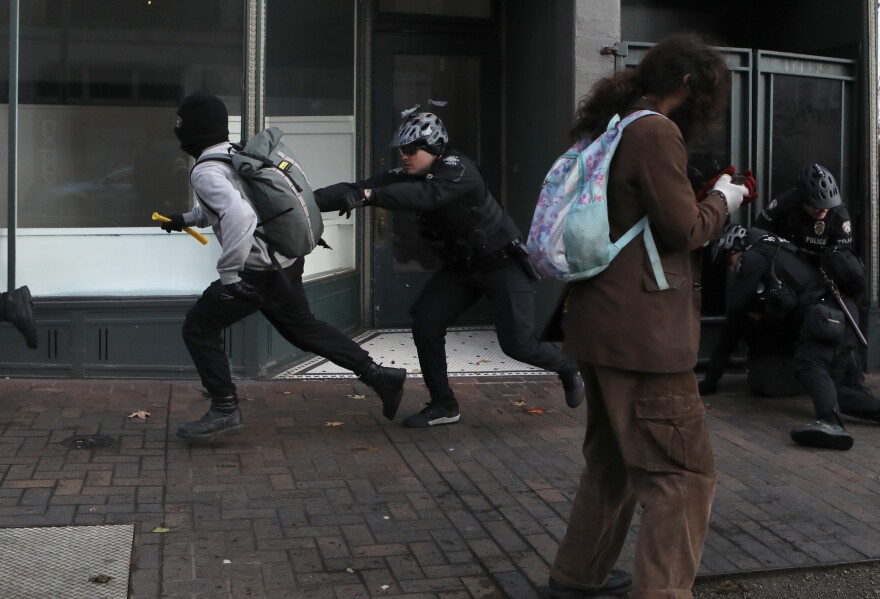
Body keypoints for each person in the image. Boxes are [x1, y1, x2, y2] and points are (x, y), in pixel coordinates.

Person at [542, 33, 753, 599]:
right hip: (644, 335)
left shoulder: (614, 126)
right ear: (688, 86)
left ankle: (576, 575)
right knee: (682, 475)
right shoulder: (657, 132)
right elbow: (681, 230)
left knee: (612, 463)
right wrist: (725, 200)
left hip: (597, 323)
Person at [313, 111, 585, 429]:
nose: (405, 156)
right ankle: (444, 404)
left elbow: (427, 196)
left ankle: (568, 367)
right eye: (402, 150)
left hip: (502, 265)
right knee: (426, 324)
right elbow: (358, 187)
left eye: (412, 149)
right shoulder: (410, 175)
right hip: (461, 269)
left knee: (517, 345)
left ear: (435, 146)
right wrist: (303, 201)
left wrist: (372, 196)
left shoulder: (459, 169)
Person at [161, 91, 407, 441]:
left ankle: (225, 410)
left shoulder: (204, 171)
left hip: (257, 274)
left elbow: (240, 214)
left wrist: (230, 275)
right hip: (285, 263)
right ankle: (380, 376)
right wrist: (185, 218)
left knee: (198, 328)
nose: (177, 132)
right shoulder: (236, 154)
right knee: (303, 329)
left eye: (180, 125)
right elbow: (234, 205)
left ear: (191, 130)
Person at [709, 224, 880, 450]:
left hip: (824, 314)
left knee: (809, 364)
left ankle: (830, 423)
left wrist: (711, 378)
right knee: (837, 388)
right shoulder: (776, 246)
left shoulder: (754, 257)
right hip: (843, 312)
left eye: (729, 261)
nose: (732, 268)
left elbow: (735, 314)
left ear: (736, 249)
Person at [755, 163, 853, 255]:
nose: (824, 210)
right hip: (784, 258)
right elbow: (757, 233)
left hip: (820, 266)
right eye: (818, 206)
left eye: (828, 205)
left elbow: (844, 256)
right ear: (803, 201)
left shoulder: (839, 215)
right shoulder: (784, 203)